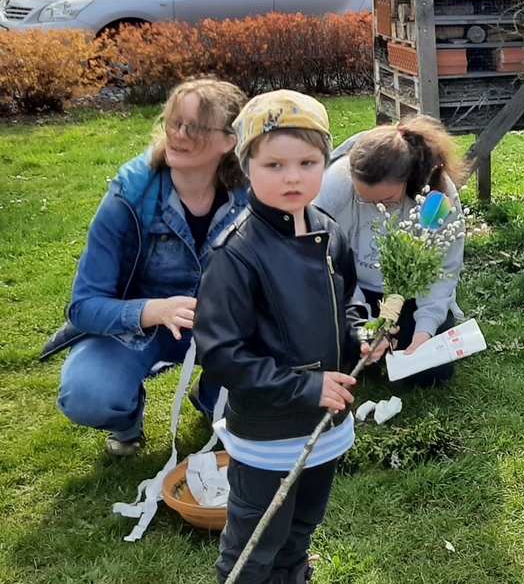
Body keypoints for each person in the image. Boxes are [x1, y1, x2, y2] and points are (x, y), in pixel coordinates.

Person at [193, 90, 378, 584]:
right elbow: (222, 353)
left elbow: (349, 300)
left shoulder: (328, 231)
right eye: (274, 165)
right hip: (269, 435)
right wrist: (305, 387)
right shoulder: (235, 254)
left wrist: (361, 336)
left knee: (302, 526)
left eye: (307, 163)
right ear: (246, 167)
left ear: (326, 163)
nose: (292, 177)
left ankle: (293, 575)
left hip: (325, 425)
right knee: (256, 542)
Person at [52, 78, 249, 457]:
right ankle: (127, 424)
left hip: (224, 329)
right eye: (174, 122)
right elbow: (83, 306)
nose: (179, 134)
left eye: (195, 127)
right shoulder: (130, 194)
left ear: (230, 140)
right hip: (136, 327)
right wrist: (154, 310)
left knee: (279, 370)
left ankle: (214, 397)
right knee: (87, 394)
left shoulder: (252, 193)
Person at [314, 115, 466, 388]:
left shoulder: (437, 196)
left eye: (387, 201)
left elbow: (443, 269)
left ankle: (397, 343)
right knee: (334, 355)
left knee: (430, 372)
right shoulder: (334, 184)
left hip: (411, 293)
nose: (377, 209)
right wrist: (362, 324)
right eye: (365, 200)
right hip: (351, 292)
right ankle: (371, 348)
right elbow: (324, 263)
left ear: (409, 182)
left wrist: (424, 330)